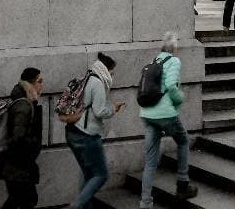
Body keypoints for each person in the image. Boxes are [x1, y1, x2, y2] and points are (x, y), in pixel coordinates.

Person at [138, 32, 198, 206]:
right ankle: (182, 184)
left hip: (147, 114)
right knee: (183, 141)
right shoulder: (174, 61)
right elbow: (171, 85)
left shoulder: (154, 61)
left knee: (150, 161)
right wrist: (180, 98)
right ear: (174, 47)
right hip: (165, 114)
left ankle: (145, 202)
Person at [65, 53, 124, 208]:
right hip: (87, 136)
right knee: (101, 175)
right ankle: (76, 206)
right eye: (112, 72)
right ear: (107, 69)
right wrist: (113, 108)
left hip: (73, 132)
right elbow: (99, 111)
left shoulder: (88, 77)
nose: (112, 75)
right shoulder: (97, 83)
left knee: (89, 174)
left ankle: (83, 206)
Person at [0, 67, 44, 209]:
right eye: (40, 81)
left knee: (18, 200)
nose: (42, 85)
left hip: (16, 165)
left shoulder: (22, 101)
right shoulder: (24, 106)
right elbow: (18, 136)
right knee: (26, 200)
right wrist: (31, 147)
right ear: (31, 84)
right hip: (18, 166)